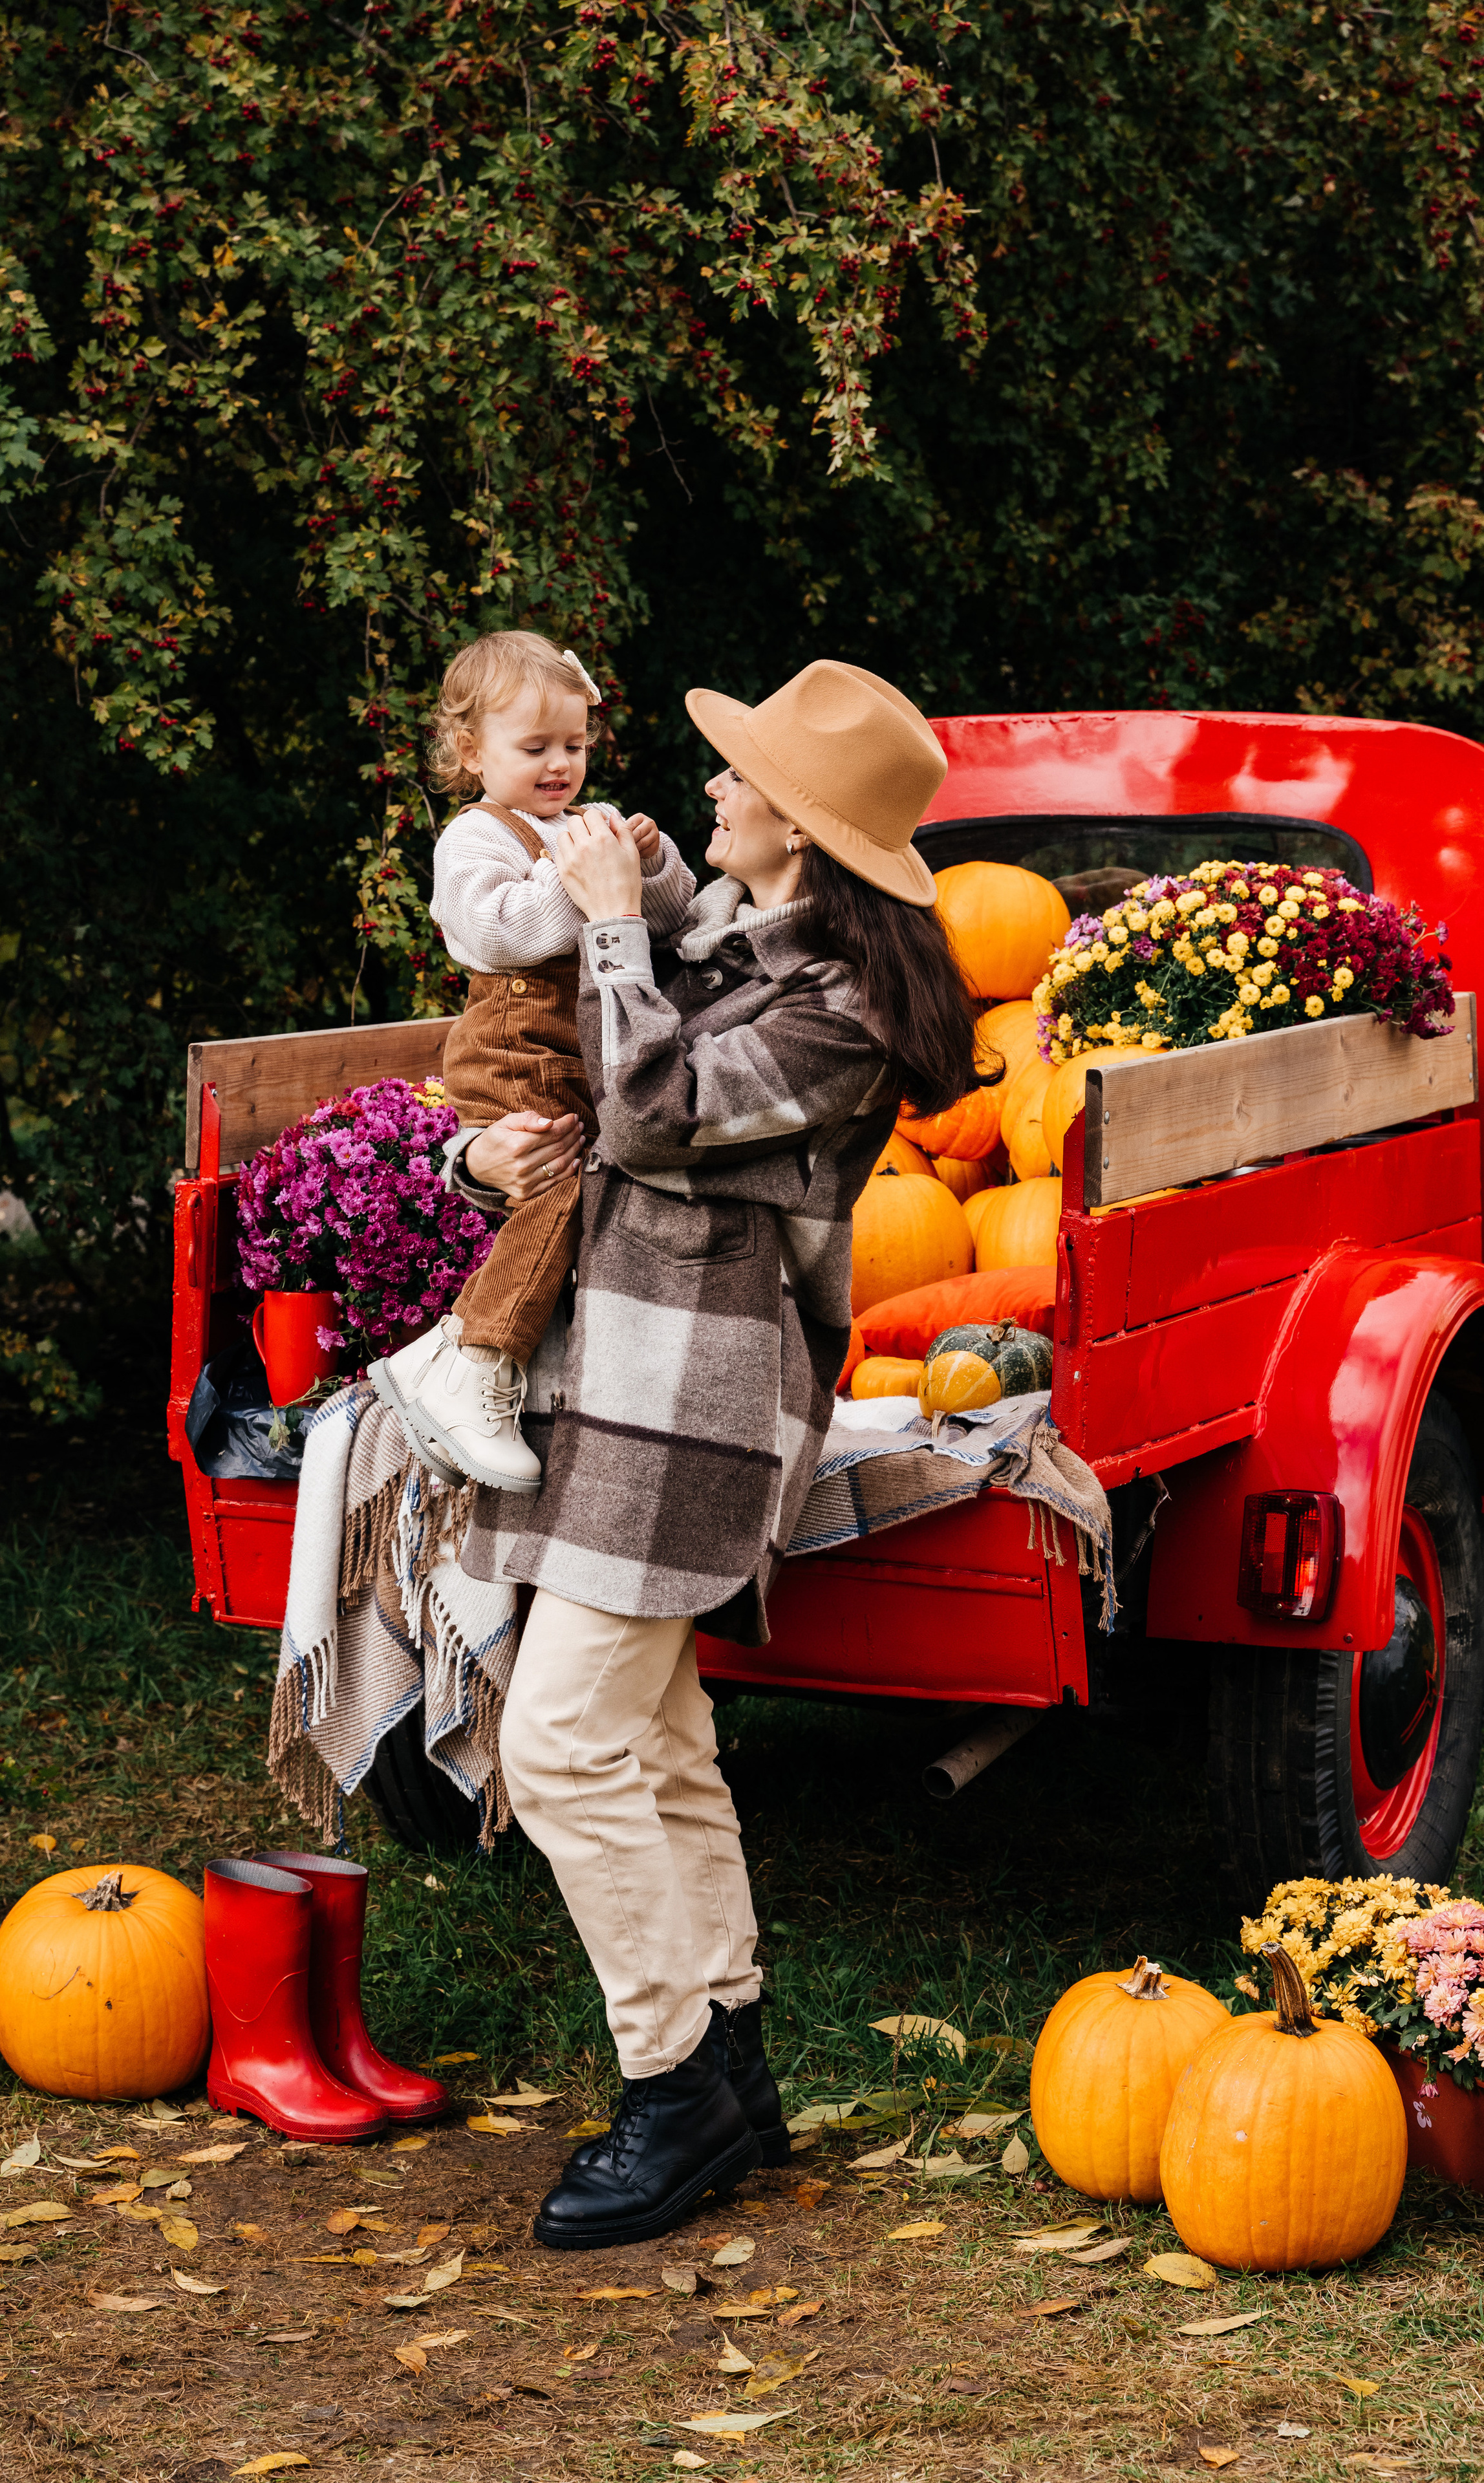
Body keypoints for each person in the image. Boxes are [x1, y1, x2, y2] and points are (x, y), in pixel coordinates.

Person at [447, 660, 982, 2248]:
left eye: (738, 777)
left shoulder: (844, 1010)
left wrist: (609, 924)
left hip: (696, 1402)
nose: (709, 790)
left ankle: (666, 2084)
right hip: (622, 1374)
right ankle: (730, 2060)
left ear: (802, 828)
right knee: (659, 1733)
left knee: (557, 1746)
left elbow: (648, 1115)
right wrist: (481, 1140)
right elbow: (564, 1085)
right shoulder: (746, 946)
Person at [376, 629, 694, 1490]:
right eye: (536, 747)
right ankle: (475, 1361)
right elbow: (500, 931)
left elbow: (671, 920)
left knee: (591, 1196)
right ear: (472, 751)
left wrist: (650, 863)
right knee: (559, 1191)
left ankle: (505, 1369)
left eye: (575, 746)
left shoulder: (581, 827)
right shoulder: (474, 839)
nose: (560, 765)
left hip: (578, 1054)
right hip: (515, 1050)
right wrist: (584, 873)